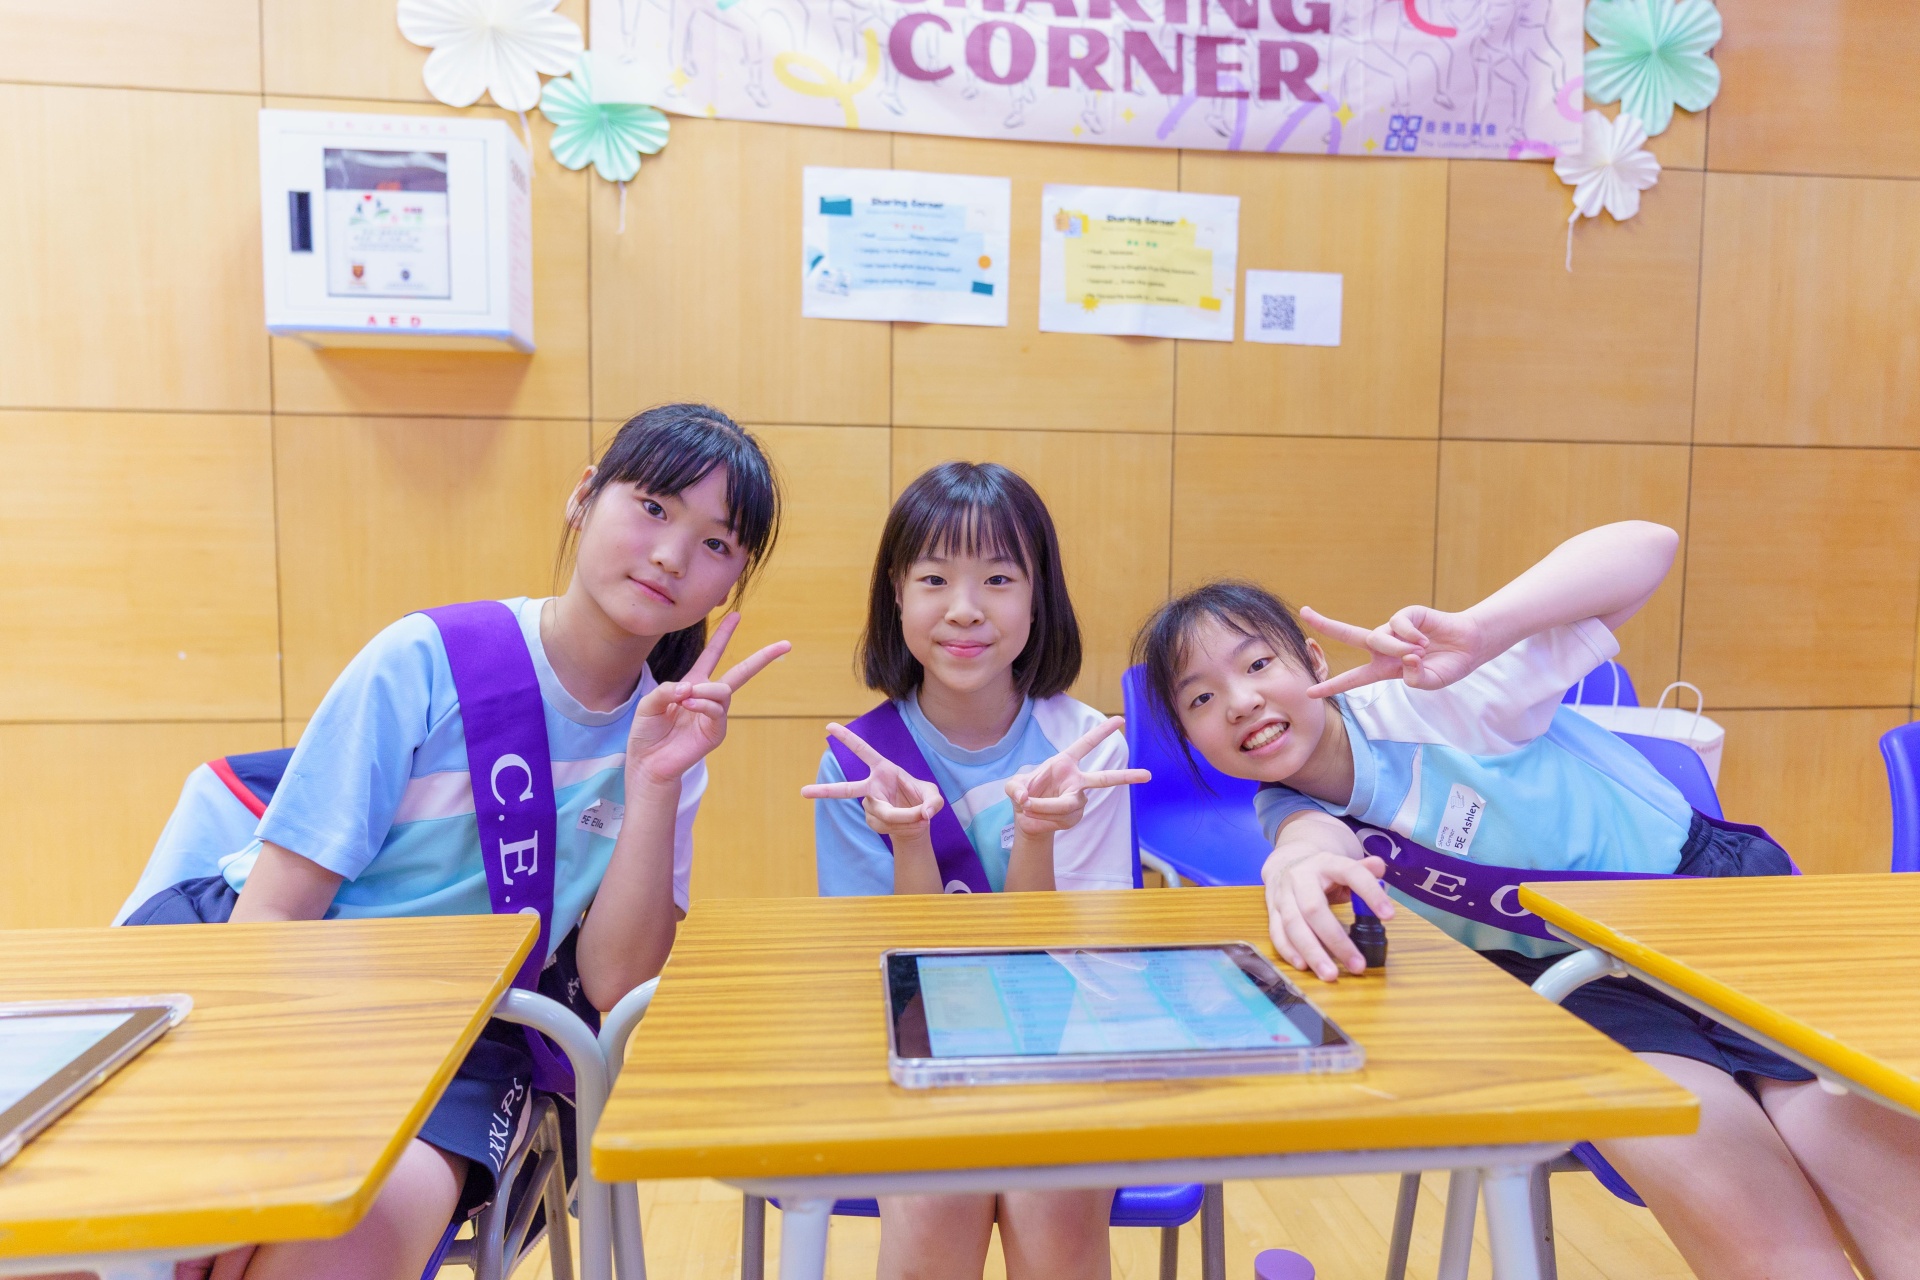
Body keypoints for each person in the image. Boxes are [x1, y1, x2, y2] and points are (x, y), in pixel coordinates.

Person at [1131, 521, 1920, 1280]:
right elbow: (1310, 842)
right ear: (1188, 738)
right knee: (1760, 1235)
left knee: (1877, 1192)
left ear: (1312, 660)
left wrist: (1482, 630)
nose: (1239, 701)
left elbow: (1649, 546)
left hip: (1712, 914)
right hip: (1580, 984)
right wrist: (1294, 869)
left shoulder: (1440, 699)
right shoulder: (1284, 805)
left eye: (1258, 663)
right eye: (1199, 700)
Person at [122, 404, 789, 1280]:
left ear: (730, 584)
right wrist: (278, 1120)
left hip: (460, 1045)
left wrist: (653, 782)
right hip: (269, 992)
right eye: (654, 506)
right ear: (583, 497)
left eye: (715, 543)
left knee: (353, 1231)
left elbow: (615, 982)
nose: (671, 555)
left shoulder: (670, 739)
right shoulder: (424, 659)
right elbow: (274, 915)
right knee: (159, 1238)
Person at [803, 461, 1147, 1280]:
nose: (965, 608)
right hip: (919, 1045)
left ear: (1038, 597)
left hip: (1068, 1042)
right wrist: (910, 842)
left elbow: (1079, 966)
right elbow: (893, 981)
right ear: (896, 593)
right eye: (934, 579)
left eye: (998, 578)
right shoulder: (858, 764)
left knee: (1055, 1204)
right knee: (936, 1200)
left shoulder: (1086, 749)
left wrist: (1037, 834)